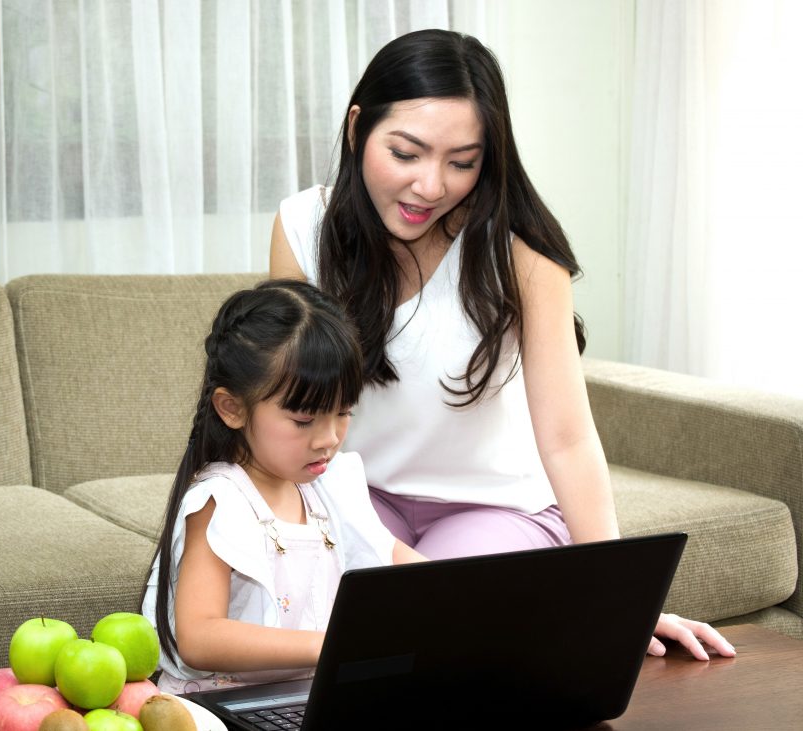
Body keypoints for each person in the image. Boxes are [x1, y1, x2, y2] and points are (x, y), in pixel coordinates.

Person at [270, 29, 734, 661]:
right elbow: (286, 408)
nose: (431, 186)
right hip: (357, 496)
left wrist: (622, 598)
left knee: (431, 639)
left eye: (462, 162)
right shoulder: (304, 228)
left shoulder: (521, 255)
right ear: (358, 130)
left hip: (495, 509)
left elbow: (568, 439)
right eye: (406, 153)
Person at [141, 278, 425, 694]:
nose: (328, 437)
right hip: (224, 705)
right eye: (305, 420)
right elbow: (198, 637)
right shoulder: (221, 501)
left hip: (304, 697)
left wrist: (478, 599)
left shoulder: (331, 485)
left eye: (343, 412)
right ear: (232, 408)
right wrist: (328, 646)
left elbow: (402, 564)